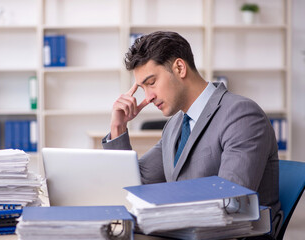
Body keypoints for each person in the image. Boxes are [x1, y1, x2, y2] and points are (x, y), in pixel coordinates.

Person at [102, 31, 281, 236]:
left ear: (179, 68)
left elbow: (231, 202)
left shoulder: (241, 114)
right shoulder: (175, 125)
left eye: (151, 83)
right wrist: (118, 128)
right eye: (142, 88)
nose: (148, 97)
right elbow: (135, 184)